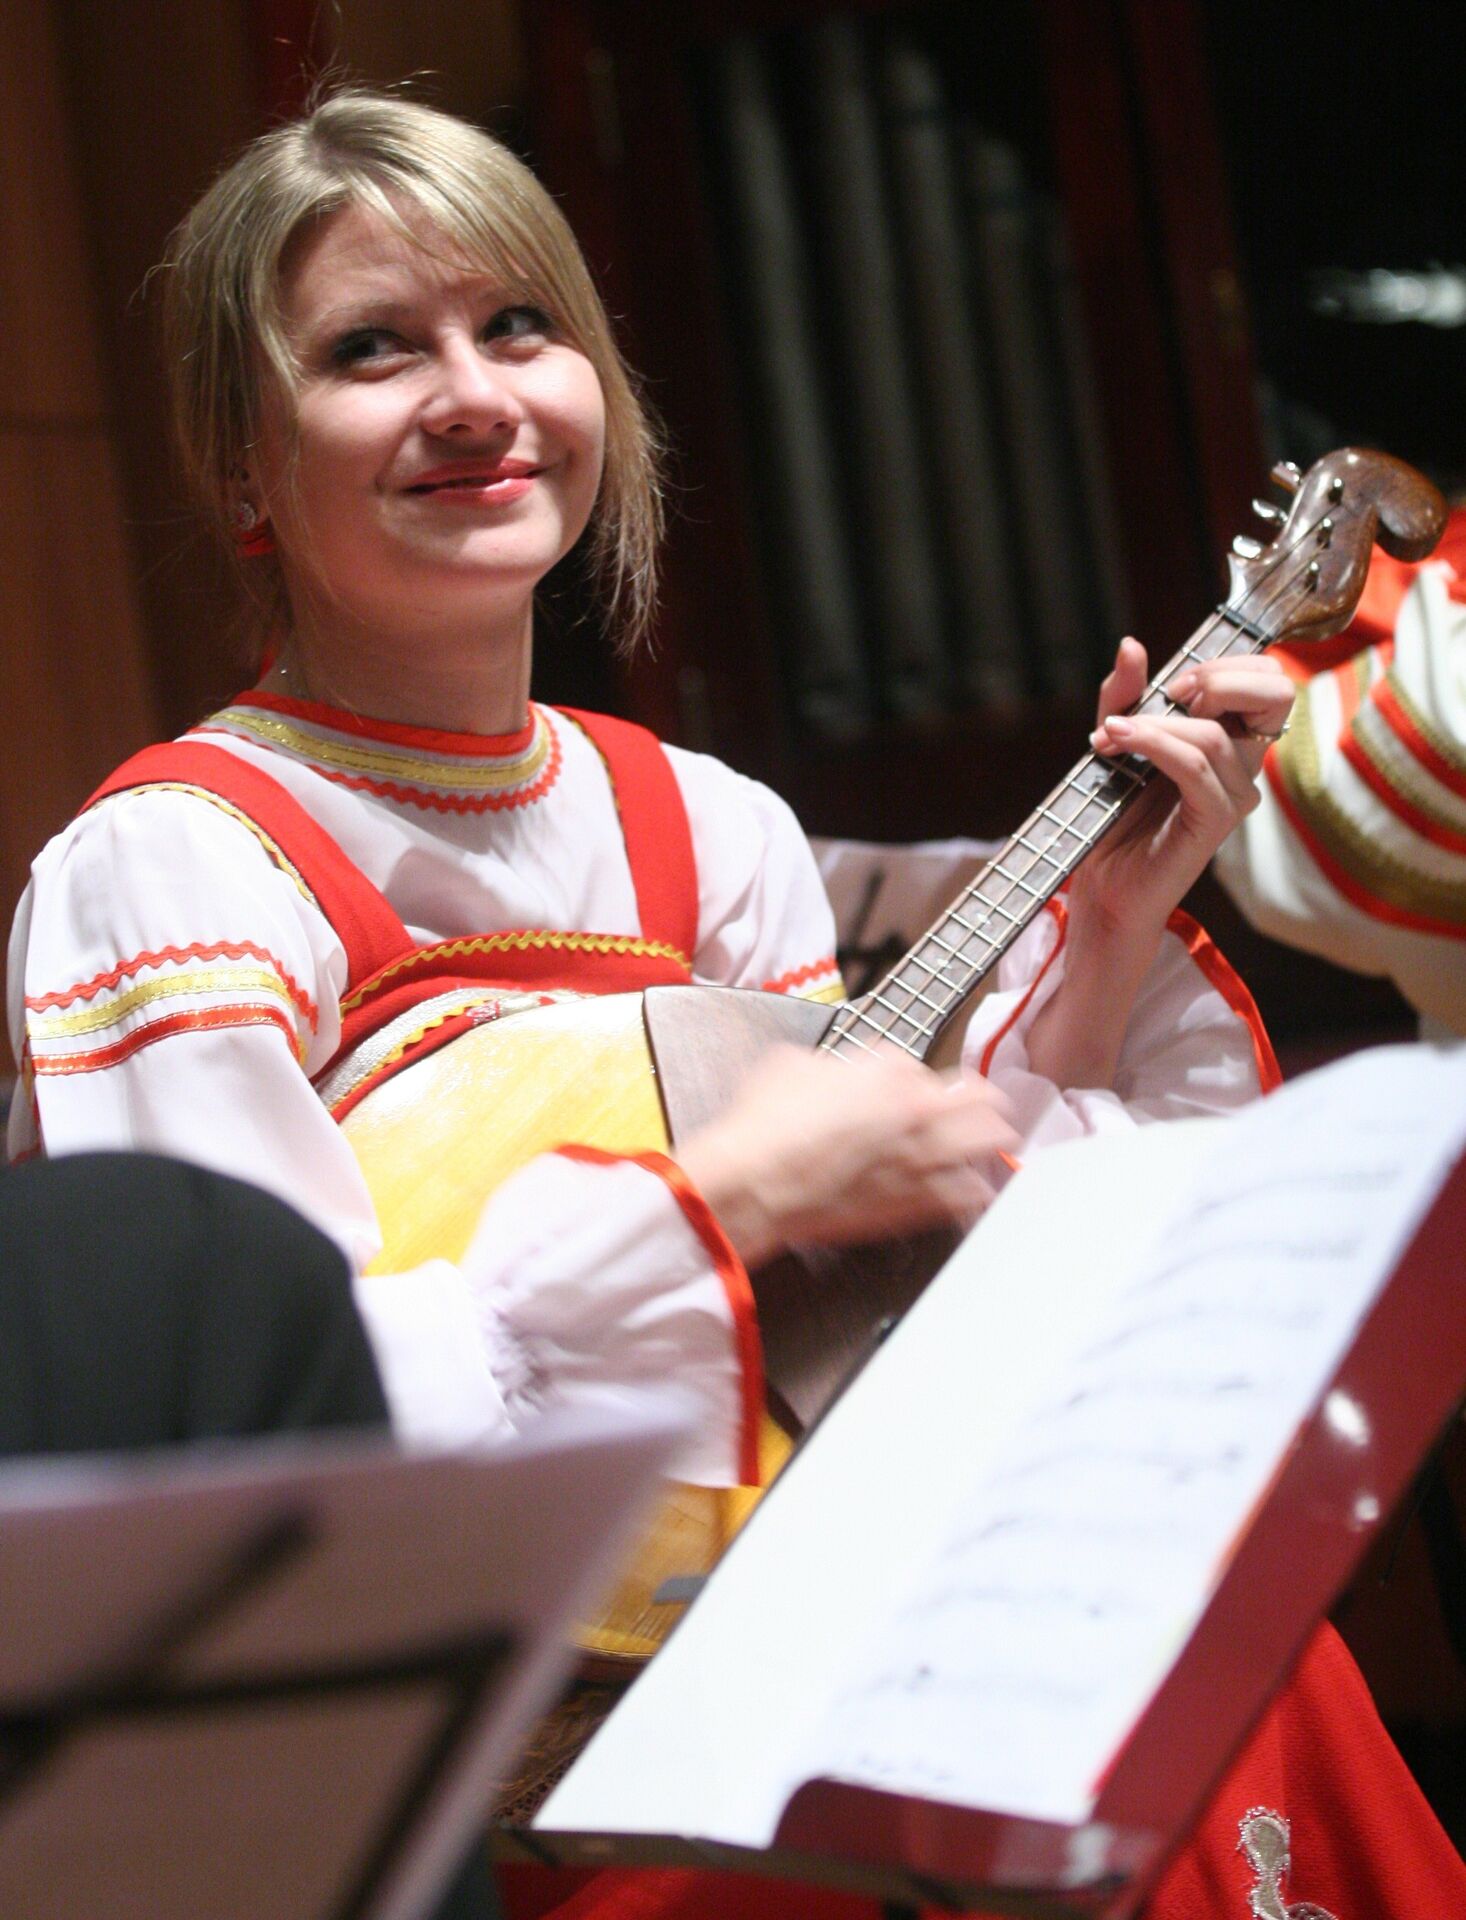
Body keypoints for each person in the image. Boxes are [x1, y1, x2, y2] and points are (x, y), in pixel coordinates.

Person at [5, 90, 1459, 1920]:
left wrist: (1100, 938)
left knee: (1236, 1694)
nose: (471, 394)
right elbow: (255, 1442)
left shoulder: (708, 824)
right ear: (239, 466)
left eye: (517, 325)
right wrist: (719, 1205)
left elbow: (854, 1312)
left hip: (800, 1629)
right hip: (527, 1772)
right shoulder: (175, 865)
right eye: (371, 349)